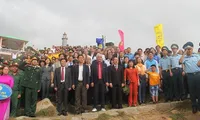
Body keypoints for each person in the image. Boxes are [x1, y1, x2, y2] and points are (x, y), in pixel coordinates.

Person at [179, 42, 200, 114]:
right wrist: (184, 53)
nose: (189, 50)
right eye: (187, 49)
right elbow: (180, 61)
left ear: (192, 49)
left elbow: (198, 64)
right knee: (192, 91)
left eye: (190, 49)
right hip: (190, 76)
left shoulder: (197, 56)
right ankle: (194, 106)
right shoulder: (184, 58)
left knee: (199, 91)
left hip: (198, 75)